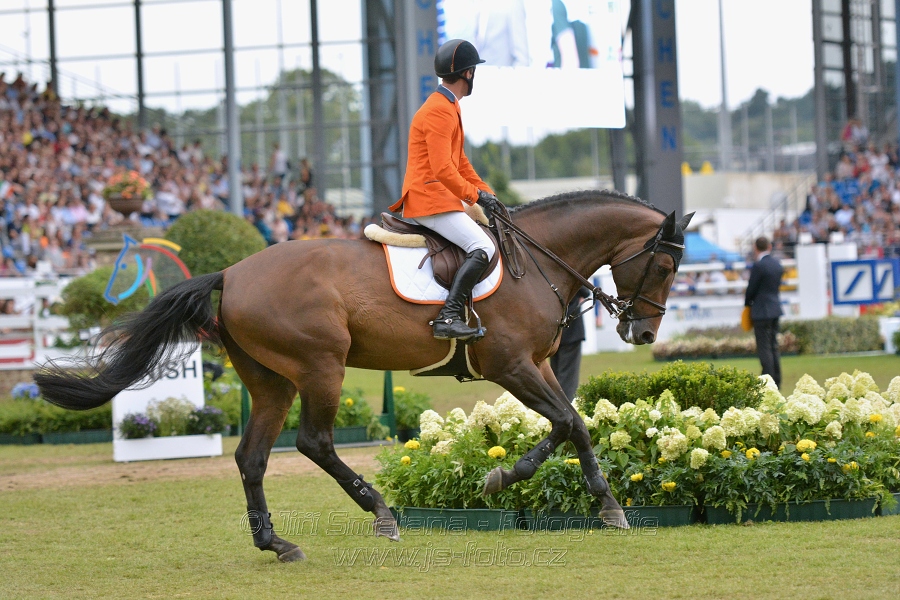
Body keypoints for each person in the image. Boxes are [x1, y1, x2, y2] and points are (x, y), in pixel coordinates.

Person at [389, 39, 500, 343]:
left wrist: (489, 194)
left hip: (439, 198)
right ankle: (448, 317)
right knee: (484, 247)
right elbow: (442, 170)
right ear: (468, 73)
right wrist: (475, 197)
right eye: (474, 71)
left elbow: (460, 162)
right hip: (430, 201)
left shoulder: (449, 105)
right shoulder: (440, 110)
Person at [744, 236, 784, 388]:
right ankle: (777, 379)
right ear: (769, 247)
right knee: (773, 345)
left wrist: (747, 304)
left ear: (756, 248)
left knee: (764, 347)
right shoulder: (777, 264)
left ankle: (768, 378)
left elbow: (751, 289)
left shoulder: (759, 266)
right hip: (775, 308)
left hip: (761, 310)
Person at [550, 286, 591, 401]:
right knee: (568, 376)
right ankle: (566, 404)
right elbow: (586, 291)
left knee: (554, 374)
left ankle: (555, 403)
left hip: (554, 330)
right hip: (572, 329)